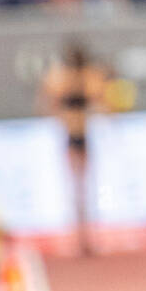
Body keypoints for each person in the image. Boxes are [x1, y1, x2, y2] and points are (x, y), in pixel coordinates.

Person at [39, 42, 108, 255]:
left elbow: (102, 100)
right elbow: (46, 102)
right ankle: (80, 235)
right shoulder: (61, 78)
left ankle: (87, 234)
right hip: (71, 135)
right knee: (77, 189)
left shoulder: (89, 76)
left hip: (85, 135)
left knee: (86, 189)